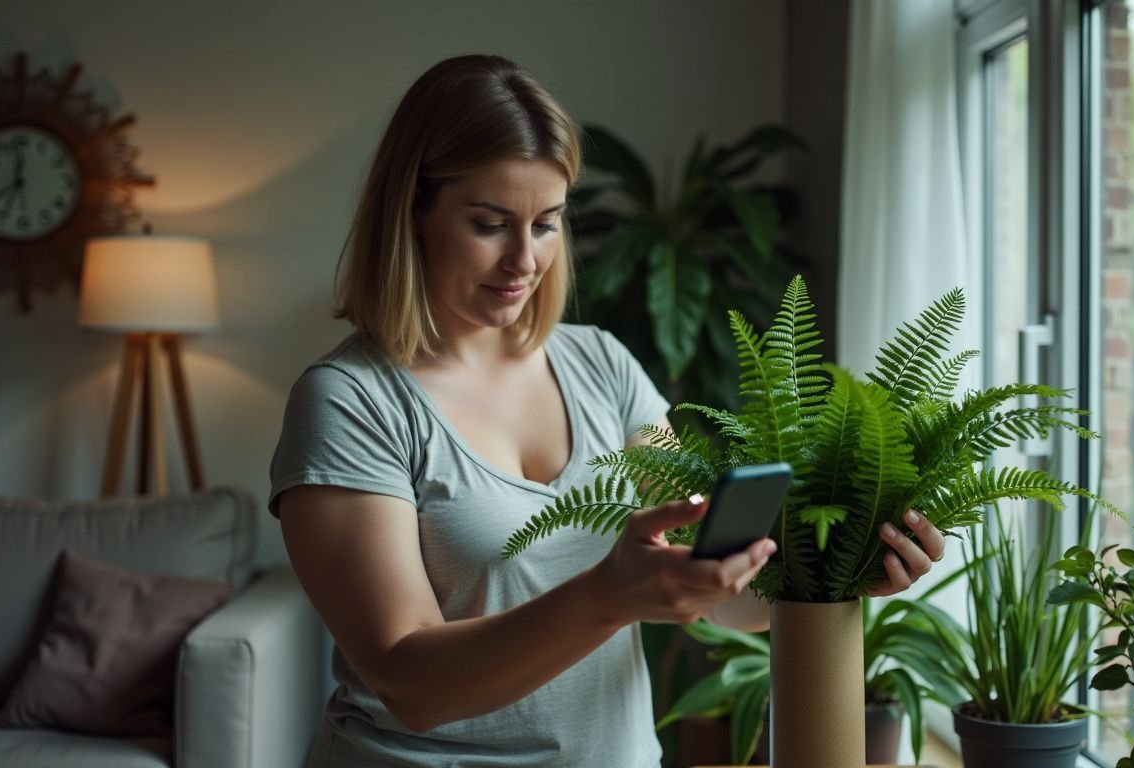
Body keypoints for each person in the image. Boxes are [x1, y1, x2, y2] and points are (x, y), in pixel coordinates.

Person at [269, 54, 945, 768]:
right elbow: (410, 682)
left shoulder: (600, 364)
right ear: (414, 212)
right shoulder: (350, 402)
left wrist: (836, 577)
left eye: (546, 223)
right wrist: (607, 596)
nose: (524, 260)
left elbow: (715, 599)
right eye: (490, 223)